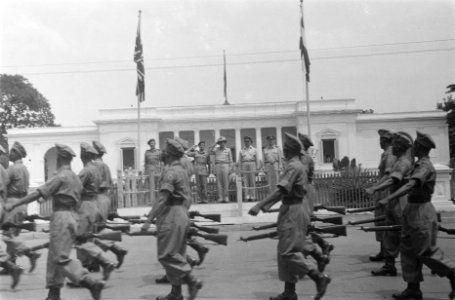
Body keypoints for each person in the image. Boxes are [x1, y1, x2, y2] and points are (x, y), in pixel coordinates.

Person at [4, 143, 105, 300]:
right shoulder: (75, 178)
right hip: (72, 216)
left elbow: (37, 194)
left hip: (61, 218)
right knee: (54, 256)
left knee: (60, 257)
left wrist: (14, 204)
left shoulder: (61, 177)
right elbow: (72, 198)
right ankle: (54, 293)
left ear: (59, 158)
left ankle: (90, 282)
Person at [249, 133, 331, 300]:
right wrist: (268, 205)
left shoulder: (294, 166)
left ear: (291, 150)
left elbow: (281, 189)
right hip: (290, 207)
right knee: (284, 252)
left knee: (288, 252)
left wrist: (260, 205)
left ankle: (318, 277)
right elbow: (284, 190)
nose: (283, 151)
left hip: (294, 210)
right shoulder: (293, 164)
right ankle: (289, 292)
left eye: (286, 148)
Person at [375, 131, 455, 300]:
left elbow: (410, 185)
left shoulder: (425, 166)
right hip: (411, 209)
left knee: (426, 251)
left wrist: (388, 198)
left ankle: (452, 273)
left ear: (422, 147)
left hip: (422, 211)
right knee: (408, 251)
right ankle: (413, 288)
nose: (414, 148)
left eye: (417, 145)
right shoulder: (417, 164)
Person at [141, 138, 203, 300]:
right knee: (177, 253)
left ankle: (191, 280)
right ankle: (176, 293)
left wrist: (149, 220)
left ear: (168, 154)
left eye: (164, 150)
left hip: (172, 213)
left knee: (167, 255)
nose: (162, 152)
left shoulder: (171, 171)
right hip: (180, 211)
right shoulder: (180, 169)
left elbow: (162, 198)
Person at [365, 131, 413, 276]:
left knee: (405, 235)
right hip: (393, 198)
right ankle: (389, 265)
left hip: (399, 199)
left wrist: (375, 188)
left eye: (396, 144)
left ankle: (435, 263)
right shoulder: (397, 159)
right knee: (390, 233)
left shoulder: (401, 161)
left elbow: (392, 179)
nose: (394, 147)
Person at [75, 142, 115, 280]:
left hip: (88, 202)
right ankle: (96, 263)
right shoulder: (98, 168)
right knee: (90, 235)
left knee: (81, 238)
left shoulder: (88, 170)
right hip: (95, 201)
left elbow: (75, 188)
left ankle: (90, 266)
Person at [2, 142, 41, 273]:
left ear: (17, 153)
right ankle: (12, 264)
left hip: (13, 203)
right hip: (23, 203)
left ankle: (30, 254)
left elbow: (2, 185)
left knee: (8, 235)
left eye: (12, 152)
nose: (9, 154)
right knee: (13, 235)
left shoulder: (12, 169)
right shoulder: (24, 169)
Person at [298, 133, 333, 272]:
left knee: (302, 227)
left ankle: (311, 257)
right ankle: (323, 246)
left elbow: (302, 178)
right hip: (304, 192)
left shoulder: (303, 159)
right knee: (304, 226)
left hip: (304, 192)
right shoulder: (301, 158)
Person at [92, 141, 128, 269]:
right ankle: (114, 251)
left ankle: (101, 258)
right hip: (104, 197)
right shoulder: (105, 166)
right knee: (97, 230)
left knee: (91, 231)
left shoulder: (94, 166)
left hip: (96, 198)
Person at [368, 129, 397, 262]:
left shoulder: (389, 155)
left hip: (386, 192)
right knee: (380, 221)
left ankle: (387, 252)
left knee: (384, 221)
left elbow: (388, 175)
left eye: (381, 140)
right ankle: (383, 251)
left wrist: (375, 187)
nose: (379, 142)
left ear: (385, 141)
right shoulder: (385, 154)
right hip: (382, 191)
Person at [0, 144, 24, 289]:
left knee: (9, 236)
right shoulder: (3, 169)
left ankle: (11, 266)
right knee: (9, 236)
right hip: (3, 203)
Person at [210, 136, 233, 203]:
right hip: (218, 165)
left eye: (223, 142)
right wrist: (215, 143)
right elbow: (209, 150)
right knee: (219, 183)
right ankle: (220, 197)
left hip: (226, 165)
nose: (222, 143)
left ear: (225, 143)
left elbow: (231, 160)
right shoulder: (216, 149)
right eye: (220, 142)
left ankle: (226, 197)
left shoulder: (228, 150)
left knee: (226, 182)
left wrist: (230, 168)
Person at [239, 136, 257, 201]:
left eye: (247, 141)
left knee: (252, 181)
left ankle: (253, 196)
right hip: (244, 164)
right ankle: (247, 196)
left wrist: (257, 168)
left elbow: (257, 159)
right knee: (245, 181)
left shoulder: (254, 149)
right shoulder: (241, 150)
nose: (246, 142)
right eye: (245, 141)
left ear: (250, 142)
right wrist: (240, 169)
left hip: (252, 163)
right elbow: (239, 160)